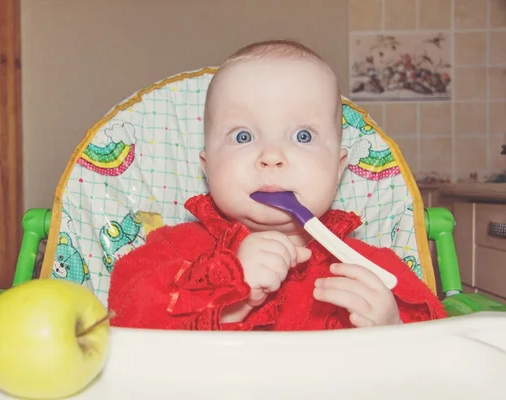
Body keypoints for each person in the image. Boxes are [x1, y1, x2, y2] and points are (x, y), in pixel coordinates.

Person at [107, 39, 447, 331]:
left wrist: (392, 328)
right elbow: (124, 319)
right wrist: (224, 293)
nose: (271, 156)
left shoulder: (371, 268)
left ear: (338, 170)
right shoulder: (173, 251)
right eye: (243, 136)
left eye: (303, 136)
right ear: (207, 169)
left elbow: (438, 349)